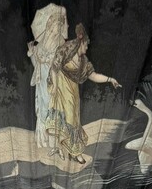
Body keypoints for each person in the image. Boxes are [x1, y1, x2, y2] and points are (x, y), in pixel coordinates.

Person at [46, 23, 121, 164]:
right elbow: (54, 68)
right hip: (61, 87)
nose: (87, 48)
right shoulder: (67, 49)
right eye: (86, 45)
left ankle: (74, 151)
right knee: (68, 118)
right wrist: (55, 86)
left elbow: (94, 76)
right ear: (82, 42)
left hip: (73, 91)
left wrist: (110, 80)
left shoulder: (83, 62)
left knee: (74, 119)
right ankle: (72, 151)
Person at [28, 7, 67, 148]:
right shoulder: (41, 43)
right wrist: (32, 53)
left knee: (52, 106)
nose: (60, 28)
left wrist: (49, 60)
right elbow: (36, 65)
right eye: (58, 25)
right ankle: (42, 139)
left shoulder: (61, 42)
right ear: (50, 24)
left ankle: (54, 142)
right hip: (42, 80)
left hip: (54, 79)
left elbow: (60, 63)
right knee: (42, 106)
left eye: (61, 25)